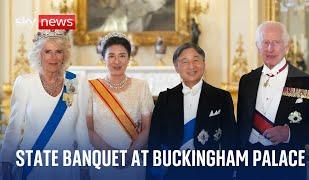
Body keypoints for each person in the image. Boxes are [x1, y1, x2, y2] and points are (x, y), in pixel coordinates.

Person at [0, 30, 90, 180]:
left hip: (66, 165)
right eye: (48, 51)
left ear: (64, 55)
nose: (53, 57)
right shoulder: (25, 83)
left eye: (58, 52)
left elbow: (82, 129)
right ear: (39, 55)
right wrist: (5, 163)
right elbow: (14, 128)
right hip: (33, 164)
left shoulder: (75, 82)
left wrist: (86, 165)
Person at [237, 21, 309, 180]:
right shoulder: (246, 81)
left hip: (287, 166)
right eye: (266, 42)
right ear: (258, 46)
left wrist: (289, 133)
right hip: (249, 165)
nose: (270, 48)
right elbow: (242, 125)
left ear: (287, 47)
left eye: (276, 42)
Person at [147, 42, 237, 180]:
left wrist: (226, 172)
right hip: (172, 171)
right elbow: (155, 138)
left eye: (196, 60)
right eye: (185, 61)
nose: (191, 66)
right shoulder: (165, 98)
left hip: (210, 171)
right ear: (176, 67)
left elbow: (230, 139)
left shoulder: (221, 97)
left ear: (204, 64)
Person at [87, 32, 154, 180]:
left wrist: (130, 154)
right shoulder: (91, 87)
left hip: (133, 158)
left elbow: (147, 128)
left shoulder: (141, 86)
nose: (117, 61)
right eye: (111, 56)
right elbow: (89, 130)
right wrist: (110, 154)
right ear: (103, 58)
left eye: (122, 56)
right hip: (101, 158)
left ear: (129, 59)